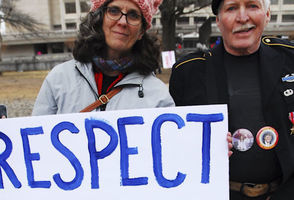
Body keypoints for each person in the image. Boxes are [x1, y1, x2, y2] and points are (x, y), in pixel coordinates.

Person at [169, 0, 294, 199]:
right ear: (218, 19)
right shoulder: (189, 72)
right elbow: (171, 142)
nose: (243, 17)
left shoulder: (290, 59)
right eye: (231, 8)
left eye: (253, 6)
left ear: (268, 14)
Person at [32, 0, 174, 115]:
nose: (122, 22)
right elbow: (37, 141)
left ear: (142, 31)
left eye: (133, 15)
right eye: (114, 11)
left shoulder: (159, 96)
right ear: (98, 18)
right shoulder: (59, 79)